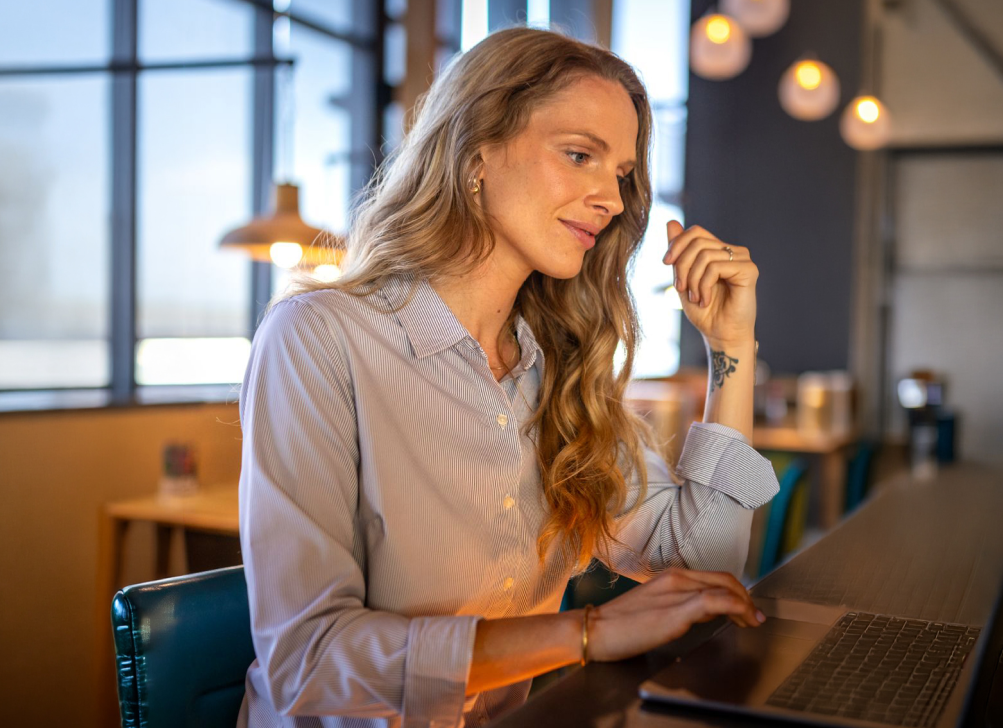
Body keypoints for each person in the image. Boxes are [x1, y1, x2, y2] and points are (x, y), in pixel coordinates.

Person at [237, 26, 779, 728]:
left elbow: (699, 567)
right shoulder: (319, 337)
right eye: (579, 155)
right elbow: (306, 661)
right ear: (477, 155)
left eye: (620, 173)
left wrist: (730, 349)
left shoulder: (558, 367)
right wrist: (587, 633)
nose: (613, 200)